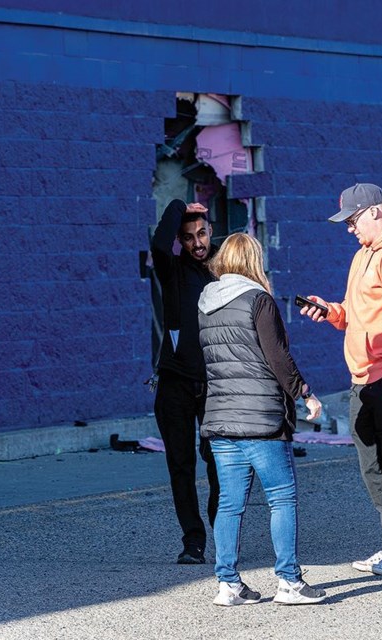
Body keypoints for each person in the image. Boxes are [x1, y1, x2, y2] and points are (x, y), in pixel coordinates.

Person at [299, 183, 382, 577]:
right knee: (374, 467)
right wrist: (333, 312)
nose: (349, 228)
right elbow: (361, 313)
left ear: (375, 212)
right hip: (366, 378)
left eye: (353, 220)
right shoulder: (365, 255)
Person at [198, 232, 328, 606]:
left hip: (220, 418)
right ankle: (289, 582)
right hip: (261, 419)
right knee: (281, 498)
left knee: (229, 503)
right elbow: (277, 358)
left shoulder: (206, 303)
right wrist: (305, 392)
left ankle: (228, 584)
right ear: (252, 260)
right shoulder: (259, 300)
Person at [150, 198, 221, 565]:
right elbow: (158, 243)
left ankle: (221, 537)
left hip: (214, 385)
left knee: (219, 464)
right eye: (189, 237)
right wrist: (178, 205)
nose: (197, 242)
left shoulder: (223, 269)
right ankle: (193, 542)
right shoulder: (172, 269)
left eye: (202, 233)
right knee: (181, 466)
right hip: (175, 383)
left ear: (211, 232)